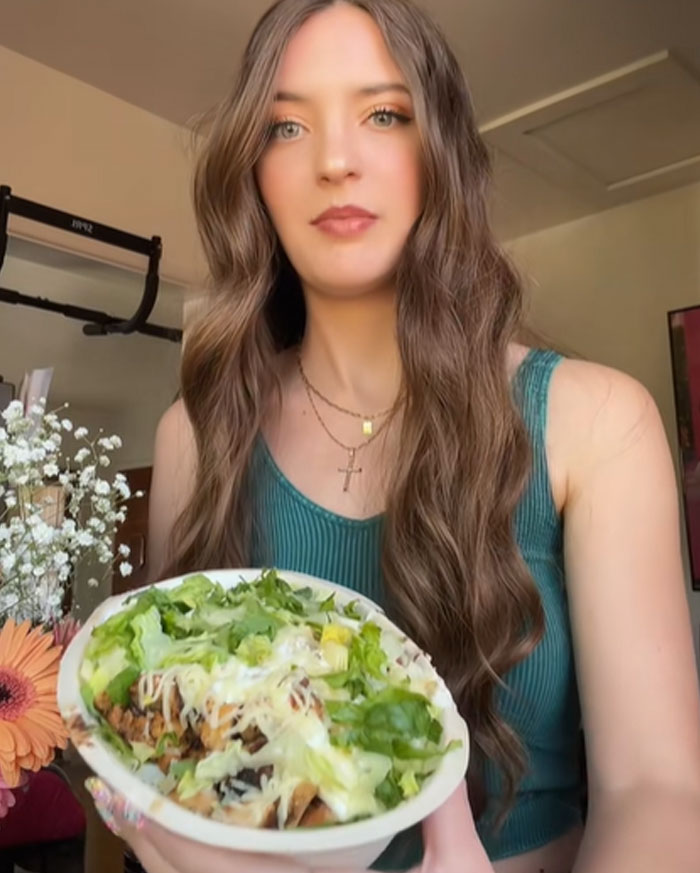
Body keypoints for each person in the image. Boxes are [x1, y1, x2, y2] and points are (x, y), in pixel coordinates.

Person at [85, 1, 700, 871]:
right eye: (286, 126)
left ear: (439, 151)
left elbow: (660, 793)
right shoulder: (194, 436)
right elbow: (177, 745)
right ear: (252, 171)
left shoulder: (598, 422)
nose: (335, 161)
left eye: (384, 114)